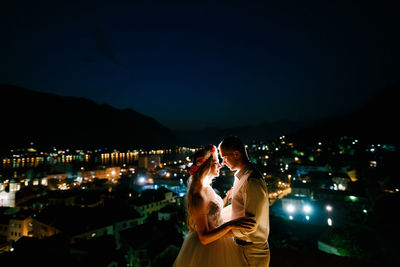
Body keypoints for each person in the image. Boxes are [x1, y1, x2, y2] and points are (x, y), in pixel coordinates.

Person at [173, 144, 255, 267]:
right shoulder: (198, 195)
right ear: (206, 165)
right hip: (208, 250)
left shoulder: (206, 187)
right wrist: (230, 225)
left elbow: (212, 211)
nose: (220, 165)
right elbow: (204, 238)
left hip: (219, 240)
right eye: (216, 162)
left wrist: (227, 197)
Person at [219, 136, 270, 267]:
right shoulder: (240, 177)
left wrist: (218, 234)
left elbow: (250, 225)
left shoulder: (251, 181)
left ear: (236, 154)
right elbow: (238, 211)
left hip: (252, 252)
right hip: (242, 248)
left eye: (224, 157)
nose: (223, 162)